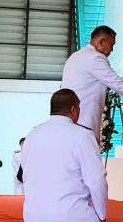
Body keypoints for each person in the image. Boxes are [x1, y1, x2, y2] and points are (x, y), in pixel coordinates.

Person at [21, 89, 108, 222]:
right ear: (74, 109)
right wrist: (102, 215)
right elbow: (96, 180)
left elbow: (26, 175)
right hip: (72, 215)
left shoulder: (32, 135)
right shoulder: (83, 136)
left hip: (33, 214)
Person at [61, 25, 123, 142]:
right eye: (112, 44)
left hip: (68, 118)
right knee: (87, 151)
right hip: (84, 118)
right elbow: (117, 83)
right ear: (101, 42)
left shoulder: (75, 56)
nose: (112, 49)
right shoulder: (95, 58)